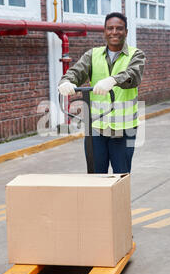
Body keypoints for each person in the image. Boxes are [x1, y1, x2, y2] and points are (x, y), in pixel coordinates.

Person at [58, 12, 146, 174]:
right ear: (104, 32)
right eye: (110, 28)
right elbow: (76, 72)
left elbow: (133, 75)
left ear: (126, 32)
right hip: (96, 127)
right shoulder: (92, 55)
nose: (114, 32)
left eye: (119, 28)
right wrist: (66, 82)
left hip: (124, 129)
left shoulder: (136, 55)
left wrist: (113, 80)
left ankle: (119, 201)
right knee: (95, 177)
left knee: (121, 175)